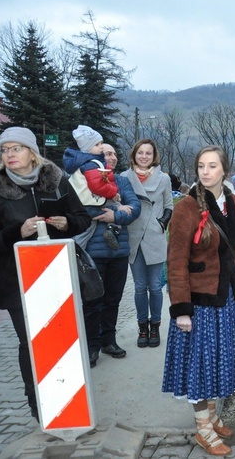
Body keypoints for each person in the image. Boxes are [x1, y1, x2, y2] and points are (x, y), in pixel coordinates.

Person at [162, 145, 235, 457]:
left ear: (224, 169)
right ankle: (203, 426)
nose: (205, 172)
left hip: (230, 297)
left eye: (212, 166)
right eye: (201, 166)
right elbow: (175, 261)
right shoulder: (186, 207)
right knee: (200, 367)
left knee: (222, 363)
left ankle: (212, 415)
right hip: (200, 301)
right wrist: (181, 309)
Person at [0, 127, 91, 420]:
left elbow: (83, 218)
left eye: (16, 148)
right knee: (30, 341)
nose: (9, 155)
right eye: (4, 150)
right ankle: (38, 405)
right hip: (16, 279)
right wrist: (18, 231)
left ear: (32, 152)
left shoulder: (56, 179)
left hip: (57, 275)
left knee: (63, 336)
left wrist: (67, 224)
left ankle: (67, 398)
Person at [84, 143, 142, 367]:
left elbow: (135, 208)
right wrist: (118, 210)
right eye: (108, 153)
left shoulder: (122, 181)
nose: (113, 157)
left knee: (113, 300)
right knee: (92, 301)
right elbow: (84, 209)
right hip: (93, 252)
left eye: (115, 154)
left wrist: (115, 216)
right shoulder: (84, 178)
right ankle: (91, 346)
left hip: (118, 251)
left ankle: (109, 340)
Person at [122, 139, 174, 348]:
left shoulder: (163, 179)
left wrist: (161, 223)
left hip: (154, 236)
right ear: (134, 154)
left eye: (148, 153)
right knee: (139, 287)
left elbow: (169, 205)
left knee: (155, 287)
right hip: (133, 236)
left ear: (154, 156)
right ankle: (142, 327)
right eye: (140, 153)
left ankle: (155, 327)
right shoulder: (124, 177)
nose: (144, 156)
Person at [63, 125, 121, 249]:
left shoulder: (80, 163)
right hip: (92, 204)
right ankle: (112, 229)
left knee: (86, 231)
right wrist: (113, 193)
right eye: (97, 144)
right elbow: (97, 186)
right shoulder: (91, 164)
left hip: (81, 203)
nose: (101, 147)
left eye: (101, 143)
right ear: (87, 148)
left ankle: (76, 251)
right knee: (119, 208)